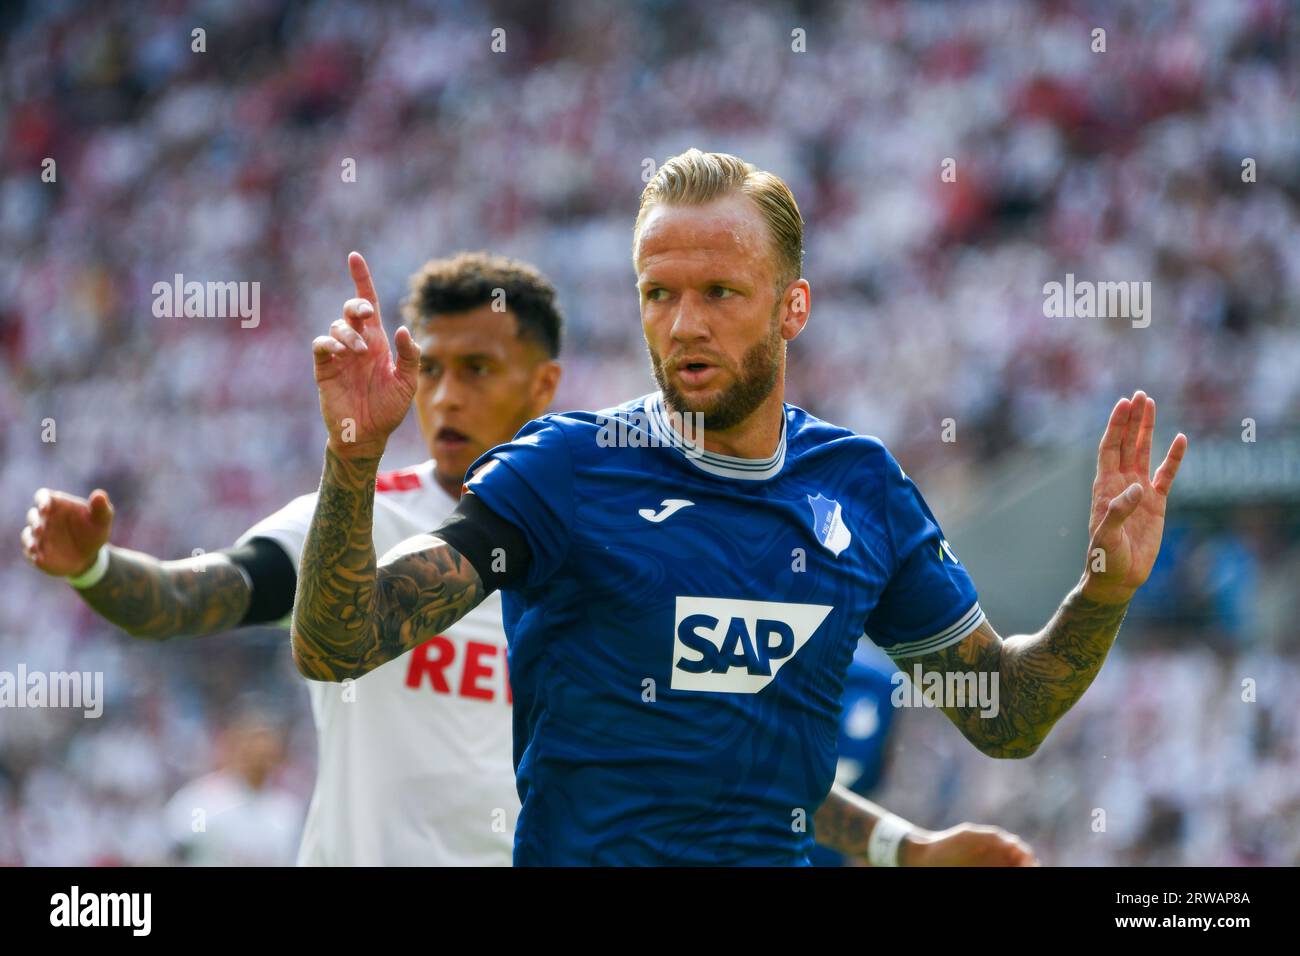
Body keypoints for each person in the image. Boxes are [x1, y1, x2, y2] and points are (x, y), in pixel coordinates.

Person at [291, 148, 1182, 865]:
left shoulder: (860, 489)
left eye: (719, 293)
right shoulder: (565, 471)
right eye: (659, 294)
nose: (684, 325)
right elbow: (339, 644)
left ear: (792, 307)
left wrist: (1102, 590)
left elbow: (1004, 714)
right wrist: (354, 458)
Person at [22, 249, 1031, 867]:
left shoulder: (626, 545)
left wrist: (904, 845)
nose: (446, 397)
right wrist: (97, 570)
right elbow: (192, 597)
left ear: (544, 385)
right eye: (429, 371)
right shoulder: (358, 522)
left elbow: (727, 773)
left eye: (477, 369)